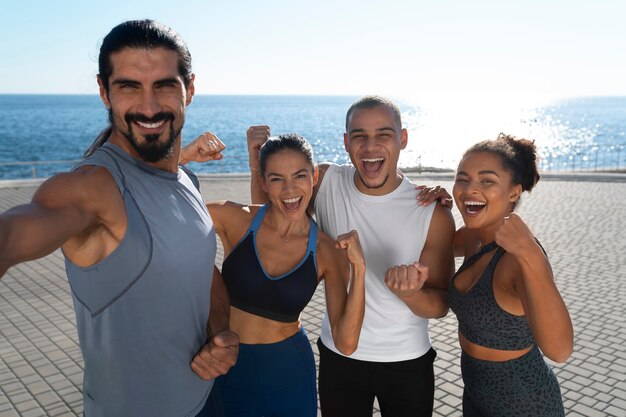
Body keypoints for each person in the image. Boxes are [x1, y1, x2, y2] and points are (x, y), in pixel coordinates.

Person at [0, 20, 238, 417]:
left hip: (204, 400)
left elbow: (203, 270)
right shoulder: (94, 188)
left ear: (190, 89)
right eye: (129, 86)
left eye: (163, 84)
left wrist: (220, 332)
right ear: (103, 91)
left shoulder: (187, 180)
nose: (148, 106)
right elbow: (10, 237)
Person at [247, 96, 456, 416]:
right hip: (338, 358)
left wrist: (411, 295)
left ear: (403, 139)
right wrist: (255, 163)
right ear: (346, 142)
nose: (370, 147)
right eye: (359, 136)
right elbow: (273, 214)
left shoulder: (431, 212)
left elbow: (441, 304)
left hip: (406, 362)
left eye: (384, 135)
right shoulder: (326, 182)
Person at [185, 133, 364, 416]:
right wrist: (183, 156)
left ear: (314, 177)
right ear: (264, 182)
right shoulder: (235, 219)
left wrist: (360, 269)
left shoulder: (327, 250)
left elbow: (346, 342)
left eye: (300, 176)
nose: (290, 189)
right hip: (222, 363)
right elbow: (166, 216)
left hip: (286, 373)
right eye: (277, 178)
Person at [448, 134, 573, 416]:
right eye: (462, 179)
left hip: (524, 403)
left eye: (487, 181)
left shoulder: (518, 259)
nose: (469, 190)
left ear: (514, 192)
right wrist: (435, 205)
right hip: (476, 395)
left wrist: (531, 254)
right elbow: (434, 241)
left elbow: (560, 350)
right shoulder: (471, 237)